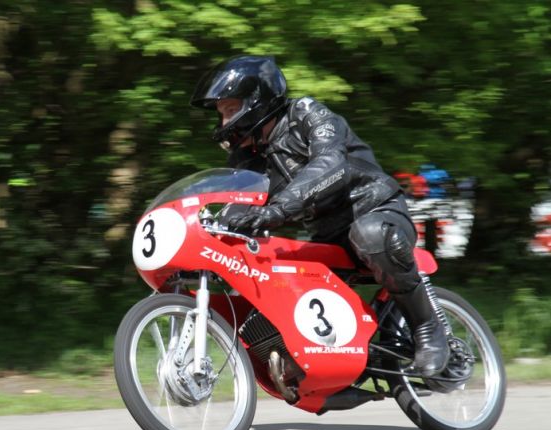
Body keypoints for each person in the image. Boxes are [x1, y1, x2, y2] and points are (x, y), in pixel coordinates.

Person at [190, 55, 448, 376]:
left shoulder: (307, 114)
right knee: (280, 278)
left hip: (378, 210)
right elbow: (238, 203)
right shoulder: (250, 157)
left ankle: (428, 329)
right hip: (328, 236)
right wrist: (210, 236)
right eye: (221, 114)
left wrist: (279, 209)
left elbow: (330, 163)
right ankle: (328, 373)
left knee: (370, 234)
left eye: (230, 110)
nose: (224, 122)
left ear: (256, 101)